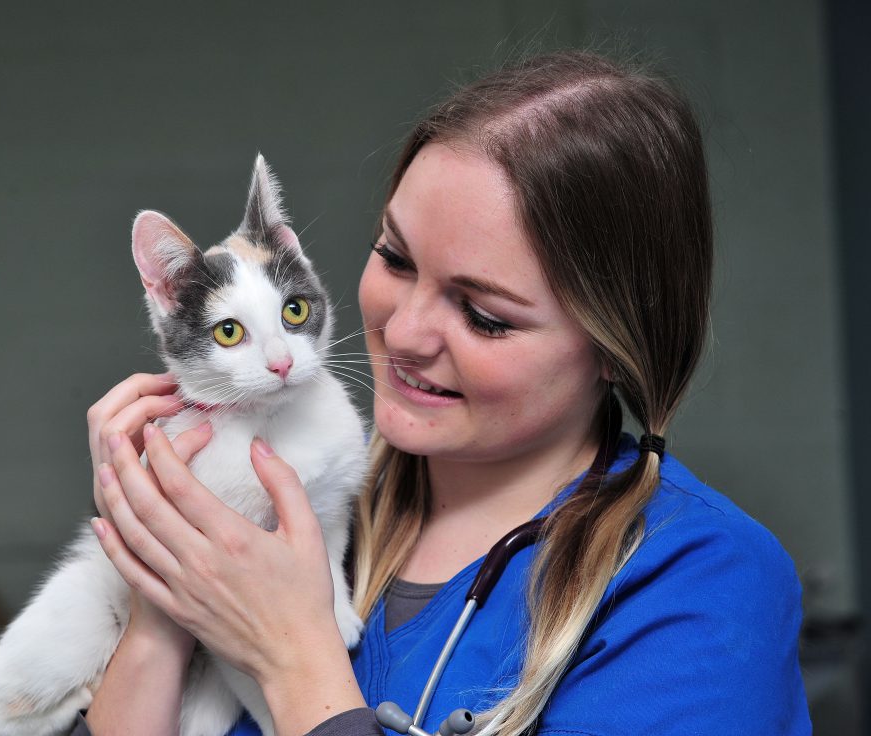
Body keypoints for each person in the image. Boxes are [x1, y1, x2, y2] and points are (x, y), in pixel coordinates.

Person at [76, 51, 811, 736]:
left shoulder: (703, 585)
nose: (405, 333)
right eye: (395, 257)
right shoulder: (305, 511)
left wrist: (296, 659)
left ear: (619, 347)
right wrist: (159, 604)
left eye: (484, 315)